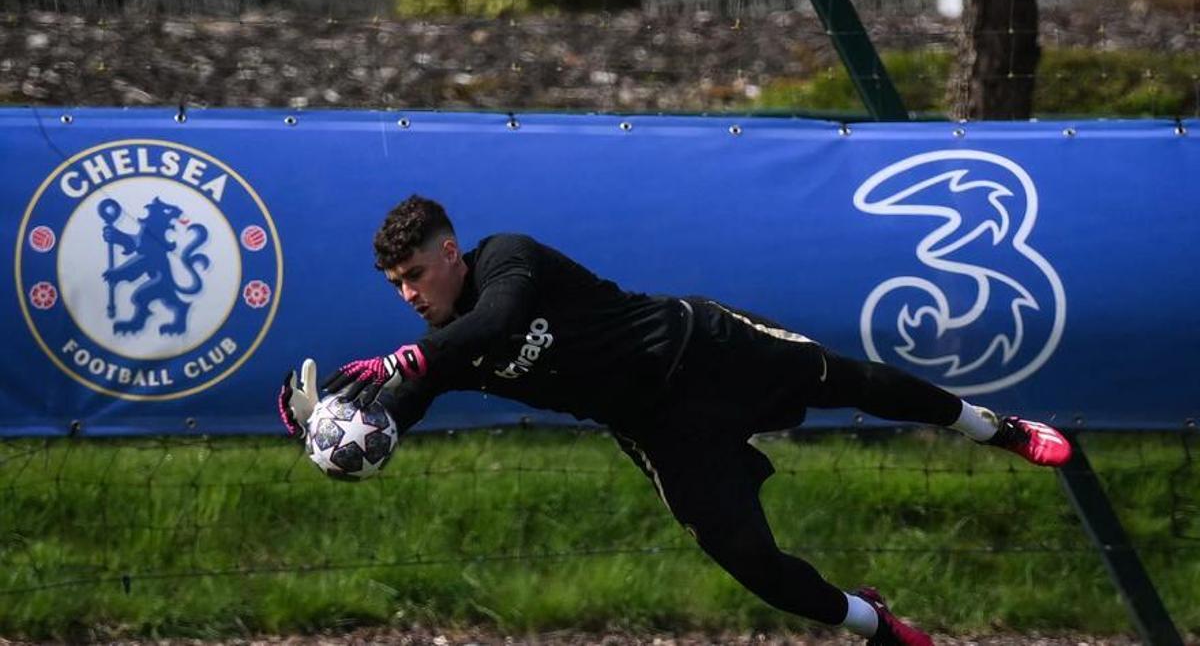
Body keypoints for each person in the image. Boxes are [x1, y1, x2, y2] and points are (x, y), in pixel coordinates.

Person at [277, 194, 1072, 646]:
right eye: (397, 287)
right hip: (663, 428)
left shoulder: (505, 258)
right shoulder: (443, 351)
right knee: (752, 565)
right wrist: (328, 435)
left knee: (854, 380)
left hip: (704, 346)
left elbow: (500, 317)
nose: (411, 295)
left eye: (416, 275)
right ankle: (875, 623)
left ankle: (991, 427)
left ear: (450, 253)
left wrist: (406, 361)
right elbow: (390, 424)